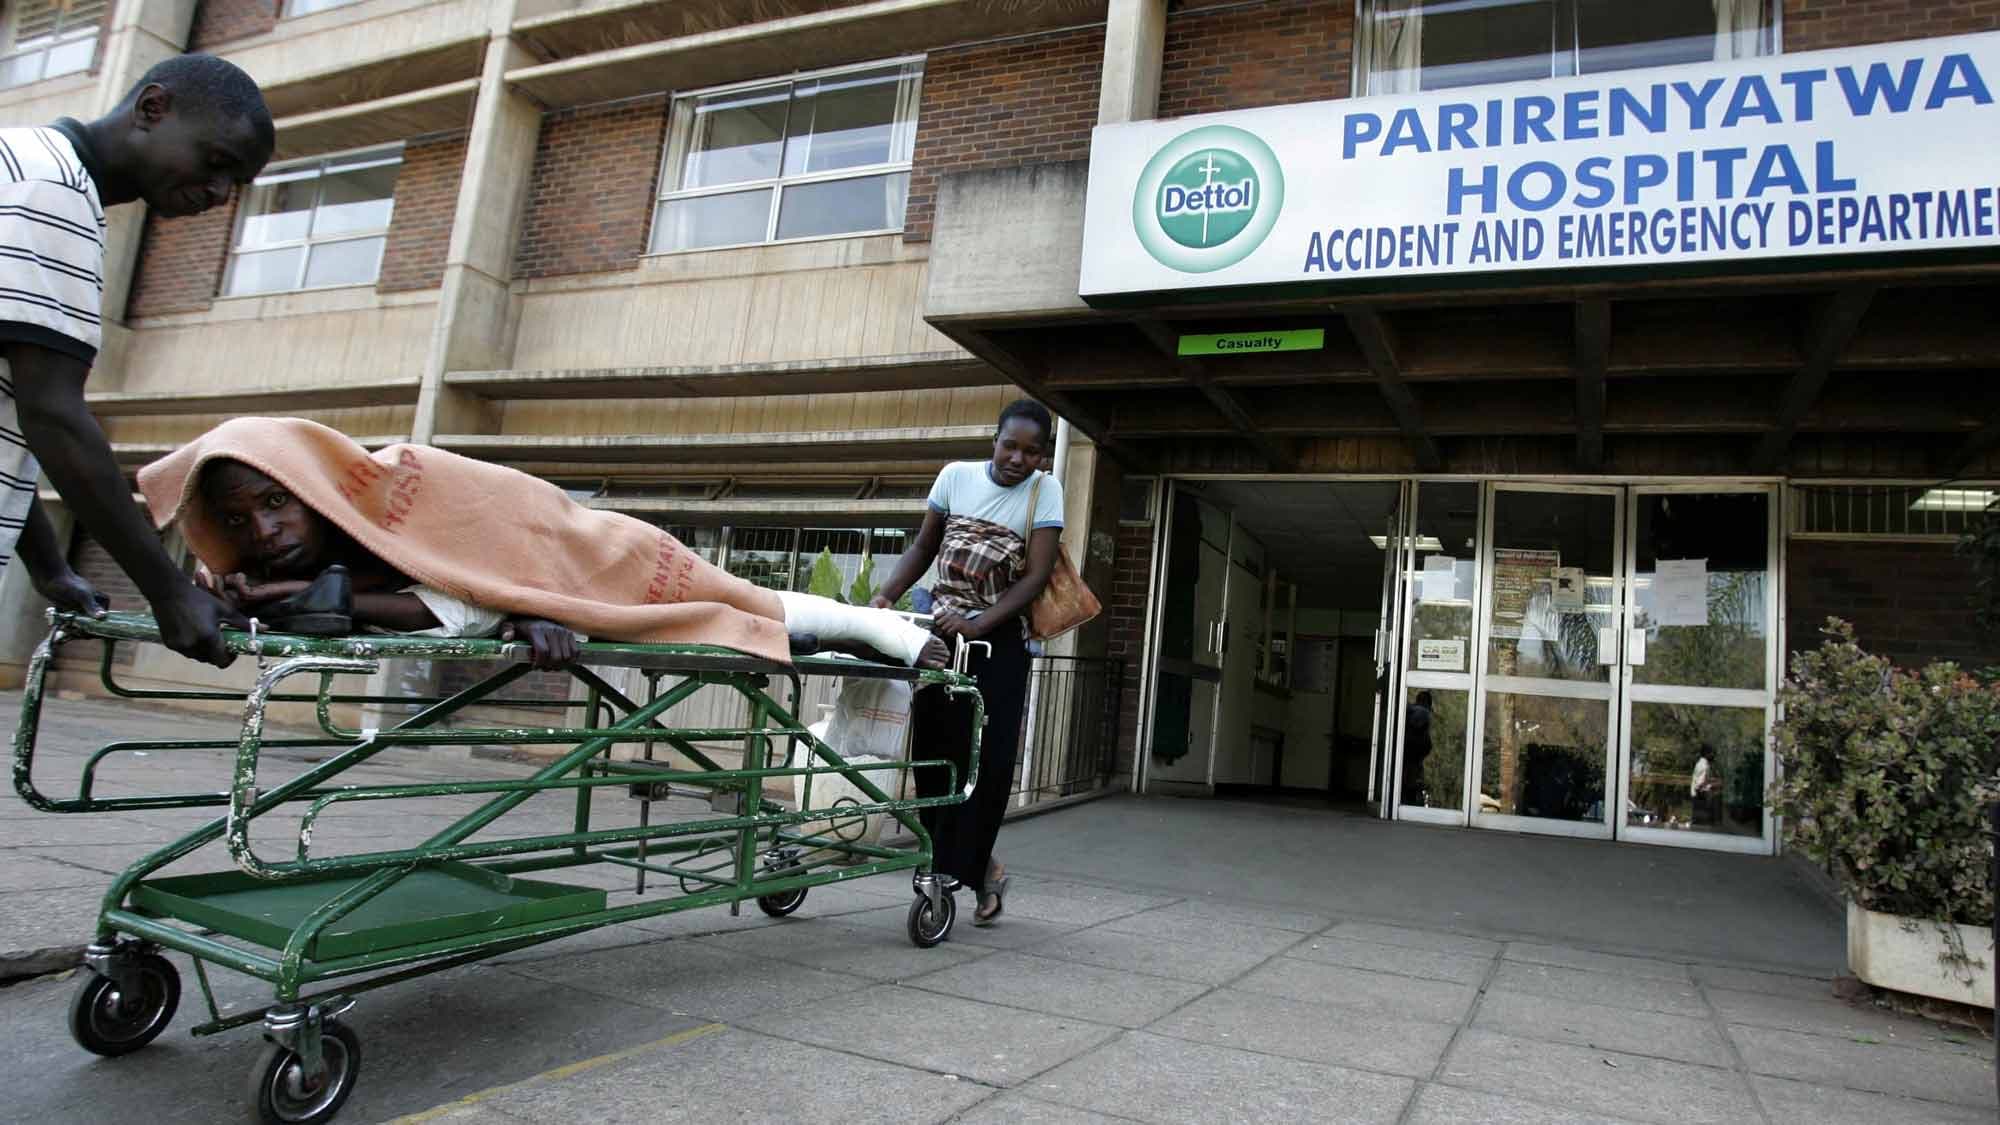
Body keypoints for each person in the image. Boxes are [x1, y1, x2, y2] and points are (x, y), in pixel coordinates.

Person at [179, 450, 950, 670]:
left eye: (276, 501)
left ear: (313, 486)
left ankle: (876, 629)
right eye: (239, 521)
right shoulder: (280, 570)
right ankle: (838, 634)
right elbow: (466, 605)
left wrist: (520, 604)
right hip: (565, 589)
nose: (265, 529)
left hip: (602, 550)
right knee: (743, 619)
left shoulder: (399, 480)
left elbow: (482, 569)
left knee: (746, 600)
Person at [1, 54, 274, 667]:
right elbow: (51, 413)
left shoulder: (25, 166)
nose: (219, 194)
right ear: (153, 108)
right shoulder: (52, 191)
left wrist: (49, 568)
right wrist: (169, 592)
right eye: (217, 162)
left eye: (235, 183)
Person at [871, 398, 1063, 926]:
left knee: (987, 762)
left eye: (1031, 452)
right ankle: (962, 866)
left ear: (1043, 457)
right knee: (937, 753)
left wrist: (980, 625)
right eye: (1010, 446)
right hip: (941, 633)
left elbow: (1035, 577)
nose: (1018, 459)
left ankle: (963, 868)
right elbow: (923, 548)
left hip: (997, 642)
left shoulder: (1045, 492)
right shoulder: (955, 477)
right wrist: (886, 596)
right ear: (993, 441)